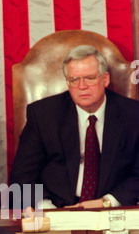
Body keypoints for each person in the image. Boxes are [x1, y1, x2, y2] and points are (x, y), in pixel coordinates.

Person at [10, 45, 139, 210]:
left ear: (105, 79)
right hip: (56, 207)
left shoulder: (133, 114)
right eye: (74, 80)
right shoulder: (43, 115)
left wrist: (106, 202)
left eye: (90, 78)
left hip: (110, 207)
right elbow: (23, 177)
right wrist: (49, 209)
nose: (82, 86)